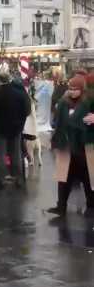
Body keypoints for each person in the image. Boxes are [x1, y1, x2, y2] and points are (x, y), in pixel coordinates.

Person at [48, 75, 93, 217]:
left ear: (82, 89)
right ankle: (61, 206)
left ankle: (91, 205)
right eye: (70, 88)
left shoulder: (89, 101)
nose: (72, 91)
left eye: (75, 89)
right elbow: (58, 122)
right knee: (63, 178)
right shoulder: (63, 102)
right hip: (65, 144)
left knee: (88, 177)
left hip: (84, 145)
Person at [0, 72, 31, 187]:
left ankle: (0, 180)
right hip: (16, 128)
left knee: (1, 155)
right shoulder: (19, 92)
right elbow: (27, 110)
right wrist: (20, 122)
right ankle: (19, 179)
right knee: (16, 153)